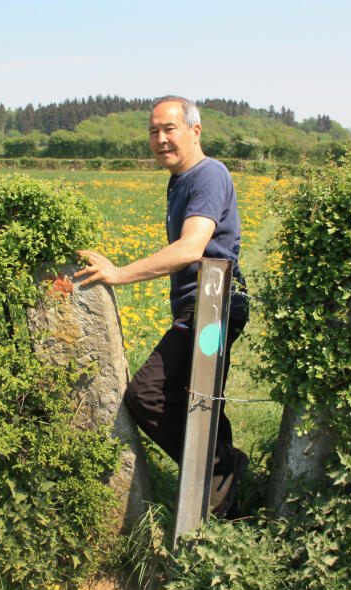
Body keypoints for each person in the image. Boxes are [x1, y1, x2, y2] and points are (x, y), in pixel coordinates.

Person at [75, 95, 249, 517]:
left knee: (147, 395)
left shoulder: (207, 175)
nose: (159, 139)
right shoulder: (182, 179)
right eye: (153, 131)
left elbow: (191, 248)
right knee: (204, 399)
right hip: (206, 305)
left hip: (214, 306)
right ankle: (232, 507)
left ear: (194, 130)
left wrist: (119, 273)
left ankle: (224, 465)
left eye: (168, 129)